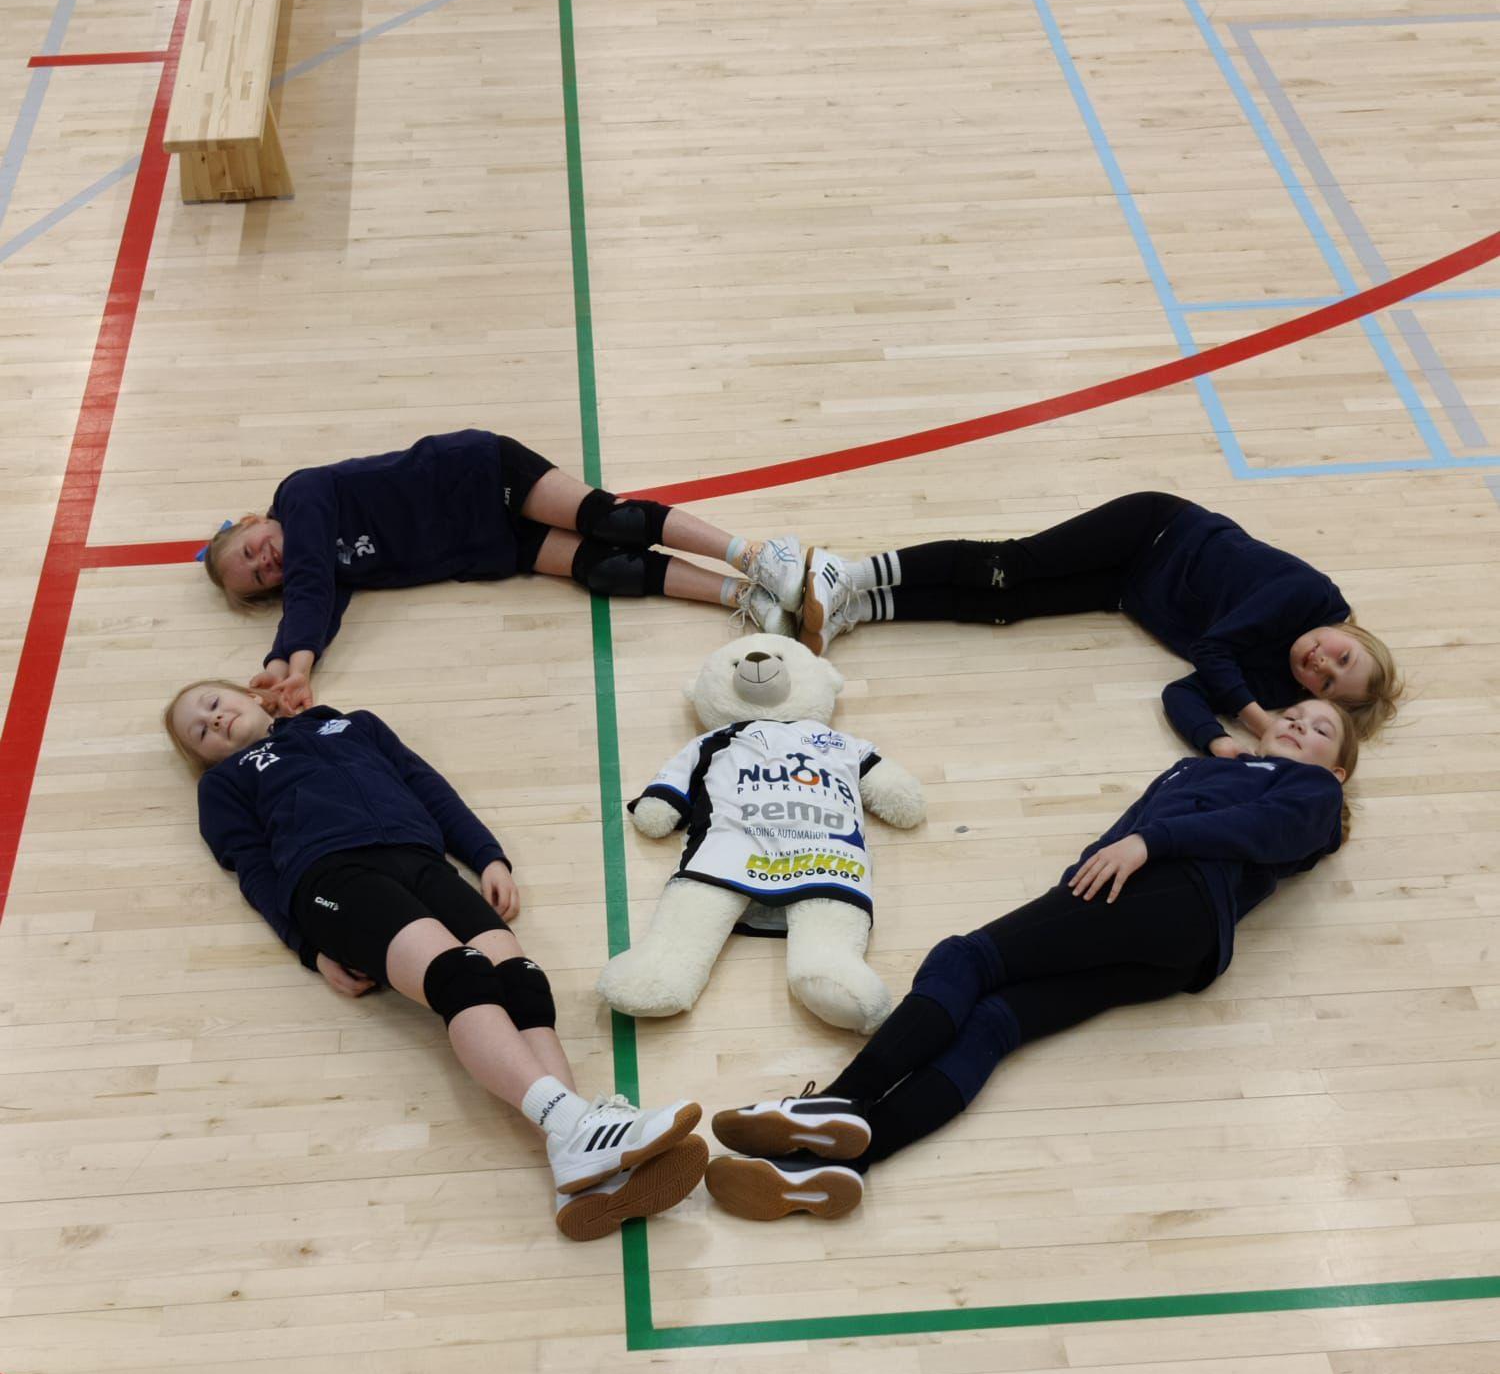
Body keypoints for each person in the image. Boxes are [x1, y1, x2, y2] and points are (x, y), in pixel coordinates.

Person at [705, 700, 1357, 1219]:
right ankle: (836, 1164)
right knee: (994, 1022)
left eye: (1321, 729)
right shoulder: (1217, 766)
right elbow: (1163, 740)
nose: (1299, 724)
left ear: (1338, 772)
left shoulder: (1313, 792)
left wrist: (1148, 844)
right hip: (1172, 944)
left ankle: (835, 1104)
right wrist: (1078, 883)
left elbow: (1259, 830)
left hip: (1167, 890)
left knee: (966, 959)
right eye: (1292, 714)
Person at [165, 680, 707, 1238]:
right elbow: (254, 870)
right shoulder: (224, 784)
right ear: (202, 758)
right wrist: (307, 948)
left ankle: (579, 1167)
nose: (214, 720)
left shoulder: (352, 723)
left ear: (255, 696)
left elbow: (427, 785)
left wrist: (487, 855)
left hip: (421, 861)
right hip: (330, 878)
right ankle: (576, 1123)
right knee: (460, 976)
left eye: (214, 703)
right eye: (199, 732)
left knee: (521, 981)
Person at [198, 430, 807, 713]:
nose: (265, 563)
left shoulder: (299, 495)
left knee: (610, 520)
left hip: (476, 474)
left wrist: (296, 663)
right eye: (260, 578)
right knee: (605, 570)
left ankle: (754, 555)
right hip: (483, 547)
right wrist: (281, 669)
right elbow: (320, 602)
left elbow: (308, 583)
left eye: (251, 551)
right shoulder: (324, 568)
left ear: (254, 521)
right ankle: (743, 596)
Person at [796, 492, 1401, 749]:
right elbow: (1215, 650)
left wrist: (1218, 743)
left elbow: (1184, 693)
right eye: (1341, 655)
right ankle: (849, 573)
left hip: (1130, 591)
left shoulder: (1278, 683)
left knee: (1007, 607)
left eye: (1325, 682)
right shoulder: (1306, 595)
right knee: (1009, 566)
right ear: (1350, 632)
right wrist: (1260, 723)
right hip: (1155, 530)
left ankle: (859, 609)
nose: (1320, 663)